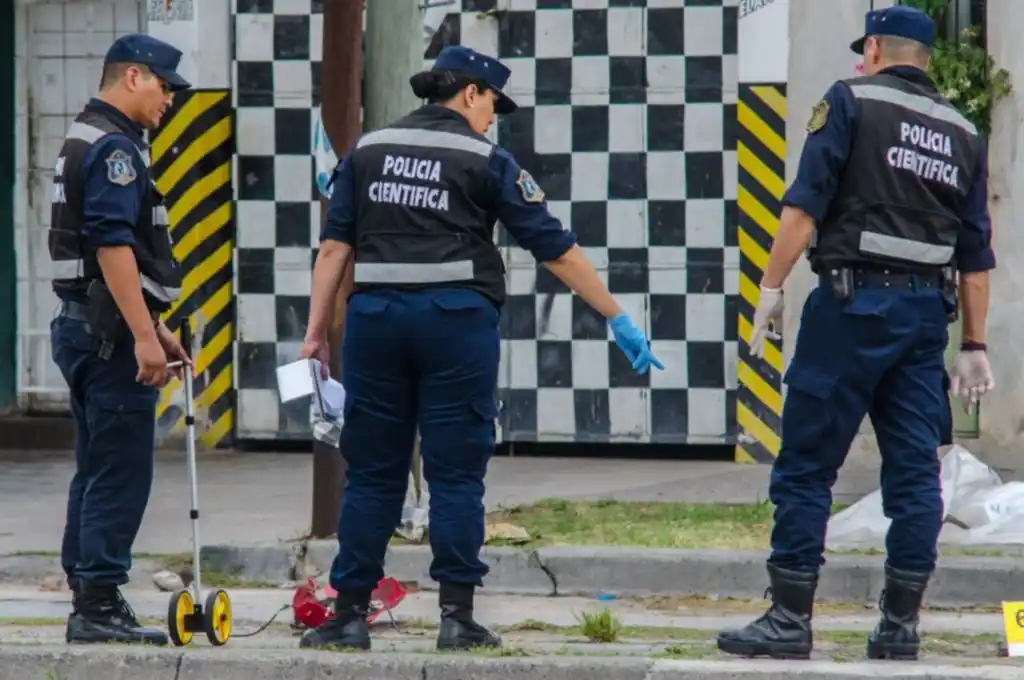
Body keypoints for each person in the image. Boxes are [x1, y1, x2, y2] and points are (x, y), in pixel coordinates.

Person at [298, 45, 664, 651]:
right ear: (470, 93)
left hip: (376, 323)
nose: (494, 115)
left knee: (371, 474)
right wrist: (618, 319)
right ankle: (456, 616)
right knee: (456, 473)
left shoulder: (365, 152)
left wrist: (315, 334)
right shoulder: (484, 158)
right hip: (455, 324)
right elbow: (557, 250)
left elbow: (334, 249)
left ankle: (349, 615)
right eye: (493, 101)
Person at [716, 5, 995, 662]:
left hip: (850, 310)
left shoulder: (849, 102)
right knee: (914, 477)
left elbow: (802, 210)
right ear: (924, 58)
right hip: (925, 321)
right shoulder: (963, 132)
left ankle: (789, 619)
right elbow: (976, 256)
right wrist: (975, 345)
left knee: (807, 467)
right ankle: (899, 627)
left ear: (874, 48)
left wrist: (771, 288)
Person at [48, 34, 192, 645]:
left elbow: (102, 253)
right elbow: (110, 245)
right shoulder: (114, 149)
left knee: (96, 467)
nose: (169, 100)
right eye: (164, 86)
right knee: (119, 471)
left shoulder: (88, 133)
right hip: (107, 337)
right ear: (134, 77)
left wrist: (155, 326)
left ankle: (90, 593)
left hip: (87, 326)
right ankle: (99, 603)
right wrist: (144, 337)